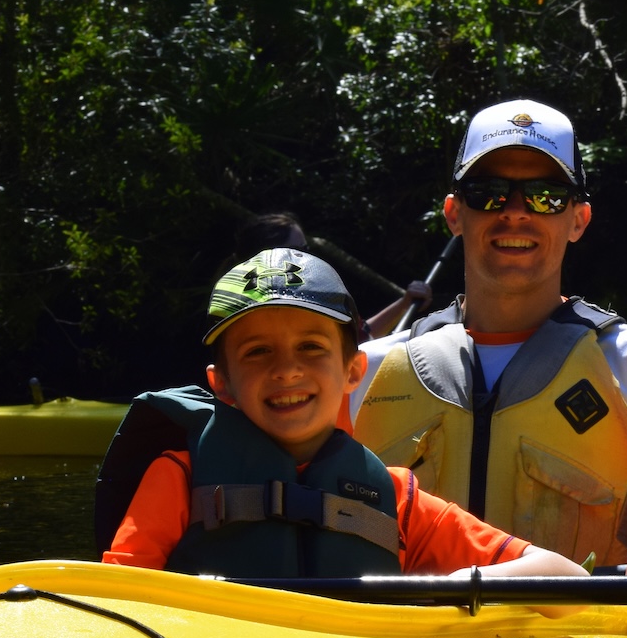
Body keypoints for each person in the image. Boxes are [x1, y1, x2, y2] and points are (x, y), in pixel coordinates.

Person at [351, 100, 627, 627]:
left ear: (578, 219)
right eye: (489, 192)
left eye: (546, 196)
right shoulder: (359, 372)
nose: (515, 212)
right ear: (455, 213)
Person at [98, 249, 587, 580]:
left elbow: (561, 574)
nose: (286, 370)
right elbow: (117, 594)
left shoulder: (397, 499)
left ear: (354, 370)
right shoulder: (179, 476)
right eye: (257, 352)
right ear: (220, 383)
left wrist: (455, 591)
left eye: (311, 348)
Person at [238, 213, 432, 339]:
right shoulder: (246, 313)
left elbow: (362, 336)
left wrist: (405, 304)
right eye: (297, 250)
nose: (306, 256)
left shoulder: (321, 297)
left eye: (306, 249)